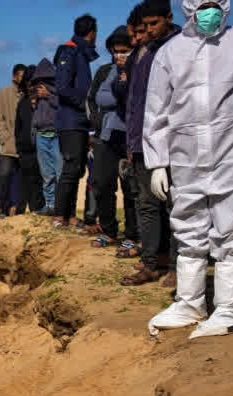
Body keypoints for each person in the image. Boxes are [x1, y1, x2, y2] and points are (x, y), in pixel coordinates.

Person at [143, 0, 233, 339]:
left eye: (215, 4)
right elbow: (157, 110)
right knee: (188, 227)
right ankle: (190, 302)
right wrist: (157, 162)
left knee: (232, 229)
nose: (209, 11)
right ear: (188, 7)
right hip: (186, 153)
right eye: (202, 4)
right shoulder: (170, 52)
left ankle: (229, 308)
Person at [119, 0, 181, 285]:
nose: (145, 34)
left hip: (173, 141)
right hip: (141, 142)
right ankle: (151, 263)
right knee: (146, 204)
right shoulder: (141, 55)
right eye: (141, 29)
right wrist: (133, 144)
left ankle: (179, 267)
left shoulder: (181, 46)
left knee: (174, 204)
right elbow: (134, 102)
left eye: (151, 26)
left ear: (168, 19)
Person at [89, 26, 136, 248]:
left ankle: (132, 235)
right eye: (116, 51)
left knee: (131, 188)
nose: (119, 55)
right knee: (101, 183)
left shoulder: (139, 71)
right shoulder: (103, 71)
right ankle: (108, 230)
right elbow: (90, 100)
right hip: (105, 136)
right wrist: (96, 123)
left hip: (129, 136)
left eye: (124, 51)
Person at [52, 14, 99, 229]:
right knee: (71, 168)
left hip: (80, 122)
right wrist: (85, 104)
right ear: (91, 33)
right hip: (70, 121)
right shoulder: (69, 50)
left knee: (78, 169)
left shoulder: (79, 52)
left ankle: (70, 215)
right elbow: (62, 87)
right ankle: (59, 216)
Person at [0, 64, 25, 217]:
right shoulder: (3, 93)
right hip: (8, 145)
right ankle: (2, 207)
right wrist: (5, 138)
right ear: (14, 76)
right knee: (4, 175)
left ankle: (17, 208)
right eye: (21, 75)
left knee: (21, 178)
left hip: (24, 145)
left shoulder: (28, 93)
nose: (23, 78)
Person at [29, 59, 60, 215]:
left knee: (60, 173)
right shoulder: (35, 95)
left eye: (46, 81)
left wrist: (49, 95)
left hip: (56, 136)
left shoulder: (59, 91)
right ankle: (50, 204)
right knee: (47, 175)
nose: (42, 84)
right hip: (42, 136)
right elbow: (35, 119)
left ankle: (61, 206)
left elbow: (62, 108)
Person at [14, 67, 45, 215]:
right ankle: (25, 210)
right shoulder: (22, 103)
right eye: (28, 82)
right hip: (26, 150)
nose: (31, 85)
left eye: (34, 82)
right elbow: (18, 127)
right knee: (26, 181)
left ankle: (37, 210)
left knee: (40, 181)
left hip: (43, 147)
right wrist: (19, 147)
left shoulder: (44, 100)